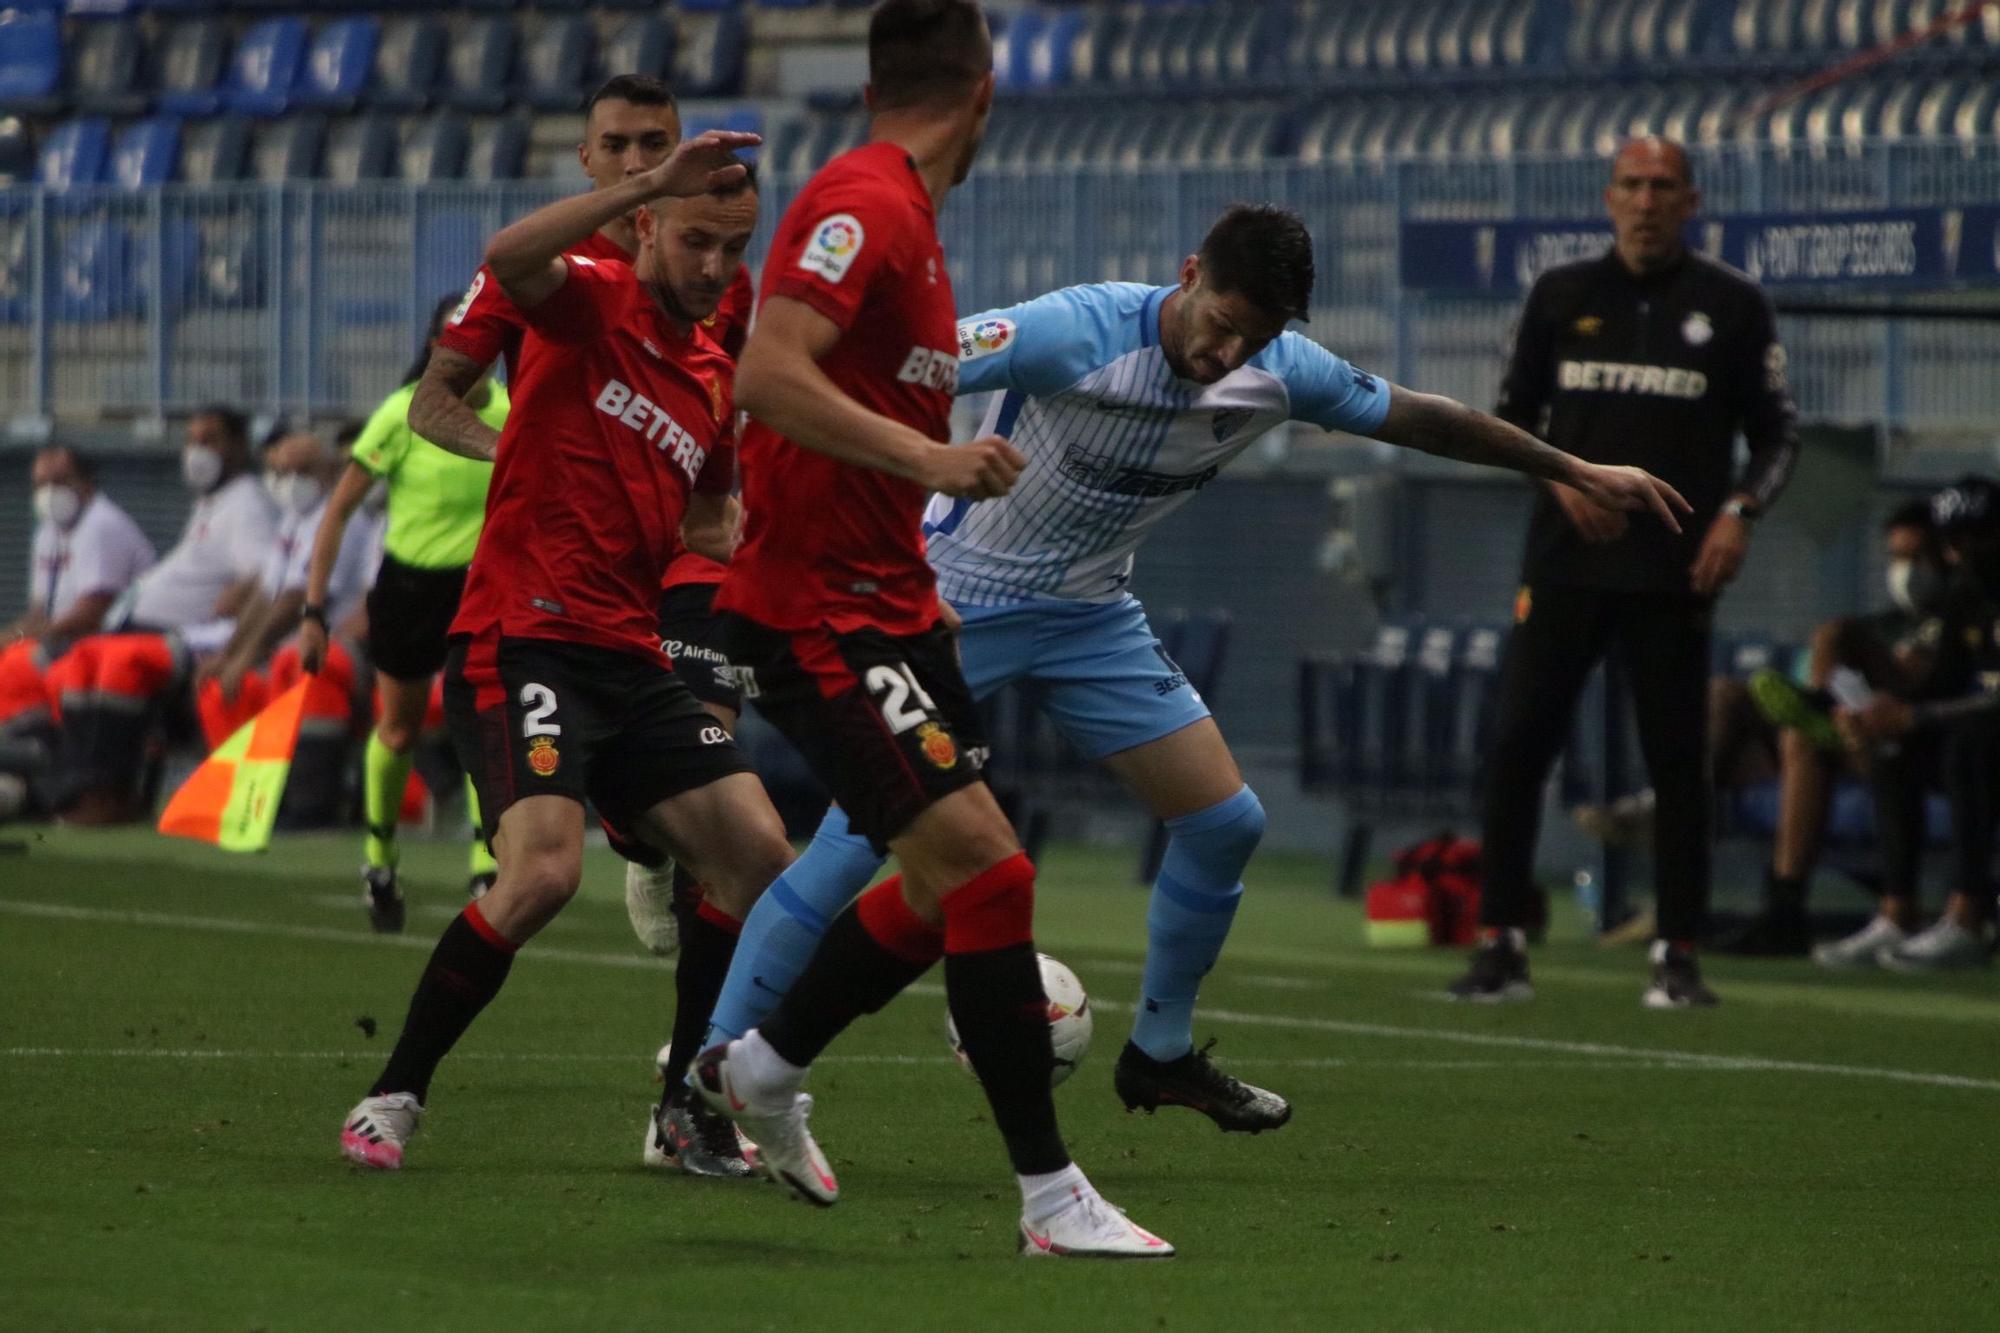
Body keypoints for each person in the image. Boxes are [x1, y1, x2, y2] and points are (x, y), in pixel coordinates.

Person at [695, 205, 1691, 1140]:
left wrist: (1571, 469)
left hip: (1090, 618)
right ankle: (709, 1068)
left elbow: (1425, 419)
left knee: (1225, 822)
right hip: (958, 606)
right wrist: (860, 509)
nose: (1227, 354)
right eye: (1219, 323)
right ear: (1185, 276)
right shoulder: (1070, 330)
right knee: (853, 840)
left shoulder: (1280, 371)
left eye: (1250, 339)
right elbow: (894, 383)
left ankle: (1158, 1054)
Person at [335, 127, 788, 1174]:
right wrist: (644, 181)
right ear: (645, 225)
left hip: (627, 656)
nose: (715, 269)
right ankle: (393, 1093)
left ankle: (683, 1111)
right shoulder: (592, 298)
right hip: (525, 633)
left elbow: (716, 523)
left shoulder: (715, 376)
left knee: (758, 852)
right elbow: (507, 255)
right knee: (541, 872)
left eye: (733, 247)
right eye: (695, 242)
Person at [1447, 136, 1800, 1010]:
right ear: (1609, 199)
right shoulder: (1562, 295)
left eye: (1663, 187)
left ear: (1691, 201)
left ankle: (1678, 952)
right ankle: (1500, 941)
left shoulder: (1734, 305)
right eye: (1632, 185)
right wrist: (1558, 476)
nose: (1646, 201)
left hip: (1673, 574)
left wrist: (1739, 513)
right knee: (1519, 746)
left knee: (1680, 763)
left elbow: (1779, 435)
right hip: (1565, 566)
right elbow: (1509, 419)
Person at [591, 171, 770, 1179]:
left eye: (652, 147)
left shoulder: (724, 286)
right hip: (600, 569)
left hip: (705, 555)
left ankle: (687, 1092)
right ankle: (633, 831)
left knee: (717, 782)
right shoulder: (566, 288)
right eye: (618, 147)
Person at [299, 297, 511, 930]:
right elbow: (336, 512)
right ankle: (381, 856)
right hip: (410, 590)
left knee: (485, 718)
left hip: (481, 587)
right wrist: (314, 610)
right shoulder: (403, 414)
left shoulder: (511, 412)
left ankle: (485, 861)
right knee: (400, 729)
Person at [1704, 501, 1950, 956]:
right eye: (1898, 558)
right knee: (1741, 703)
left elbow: (1928, 688)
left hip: (1918, 742)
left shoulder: (1956, 620)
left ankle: (1781, 908)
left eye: (1918, 558)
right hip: (1854, 732)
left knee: (1822, 677)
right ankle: (1685, 800)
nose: (1907, 572)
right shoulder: (1886, 621)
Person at [409, 74, 682, 465]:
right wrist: (516, 454)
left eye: (655, 144)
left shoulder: (708, 271)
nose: (636, 165)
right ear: (586, 158)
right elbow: (430, 403)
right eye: (615, 146)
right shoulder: (533, 262)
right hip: (559, 519)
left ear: (680, 153)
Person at [45, 407, 278, 823]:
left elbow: (268, 573)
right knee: (80, 660)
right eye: (191, 440)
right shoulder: (212, 503)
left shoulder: (247, 505)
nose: (196, 451)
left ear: (239, 447)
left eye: (210, 440)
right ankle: (78, 788)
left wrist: (237, 597)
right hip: (153, 631)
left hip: (197, 638)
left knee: (120, 662)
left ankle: (111, 793)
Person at [1810, 477, 2000, 971]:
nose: (1963, 551)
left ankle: (1969, 916)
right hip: (1978, 737)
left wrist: (1916, 715)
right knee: (1895, 751)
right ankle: (1898, 912)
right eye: (1954, 540)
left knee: (1968, 744)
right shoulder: (1968, 595)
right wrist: (1879, 714)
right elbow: (1944, 682)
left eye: (1976, 537)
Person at [190, 431, 378, 823]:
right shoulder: (295, 519)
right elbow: (266, 593)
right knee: (218, 685)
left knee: (283, 667)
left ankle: (303, 801)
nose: (292, 481)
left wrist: (245, 657)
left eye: (302, 471)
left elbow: (297, 600)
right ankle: (245, 799)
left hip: (333, 645)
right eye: (283, 472)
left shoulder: (342, 518)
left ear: (328, 471)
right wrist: (231, 655)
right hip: (290, 646)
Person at [0, 446, 154, 818]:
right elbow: (40, 612)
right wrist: (9, 637)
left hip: (109, 643)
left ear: (85, 483)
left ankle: (46, 772)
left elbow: (92, 612)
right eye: (40, 483)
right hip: (67, 643)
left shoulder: (101, 525)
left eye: (59, 481)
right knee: (12, 657)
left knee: (17, 667)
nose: (49, 492)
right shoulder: (48, 534)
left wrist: (23, 641)